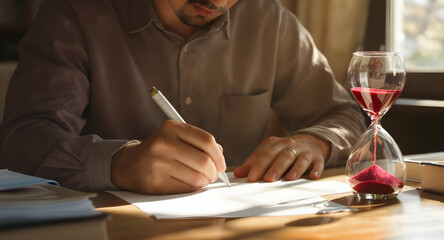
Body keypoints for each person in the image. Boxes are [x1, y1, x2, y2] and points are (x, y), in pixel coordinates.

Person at [0, 0, 365, 195]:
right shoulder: (74, 14)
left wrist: (315, 141)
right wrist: (121, 164)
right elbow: (24, 138)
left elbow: (344, 116)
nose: (218, 0)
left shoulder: (269, 20)